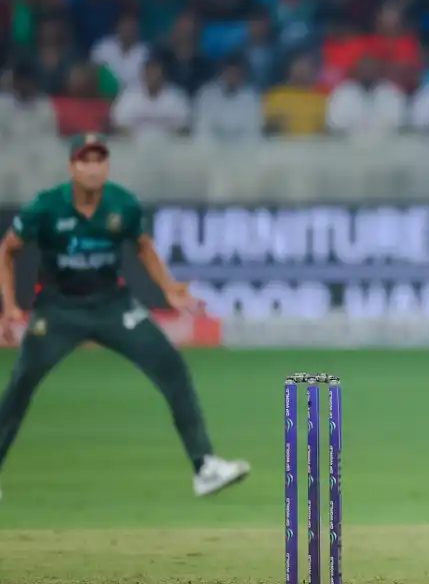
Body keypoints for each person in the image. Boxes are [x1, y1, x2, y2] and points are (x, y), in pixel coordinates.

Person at [0, 134, 251, 501]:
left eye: (100, 159)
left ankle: (204, 467)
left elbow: (143, 247)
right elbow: (8, 251)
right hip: (58, 309)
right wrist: (8, 307)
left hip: (112, 306)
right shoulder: (46, 207)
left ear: (108, 165)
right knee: (21, 383)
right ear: (72, 167)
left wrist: (167, 287)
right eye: (85, 160)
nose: (93, 166)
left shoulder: (123, 205)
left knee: (171, 367)